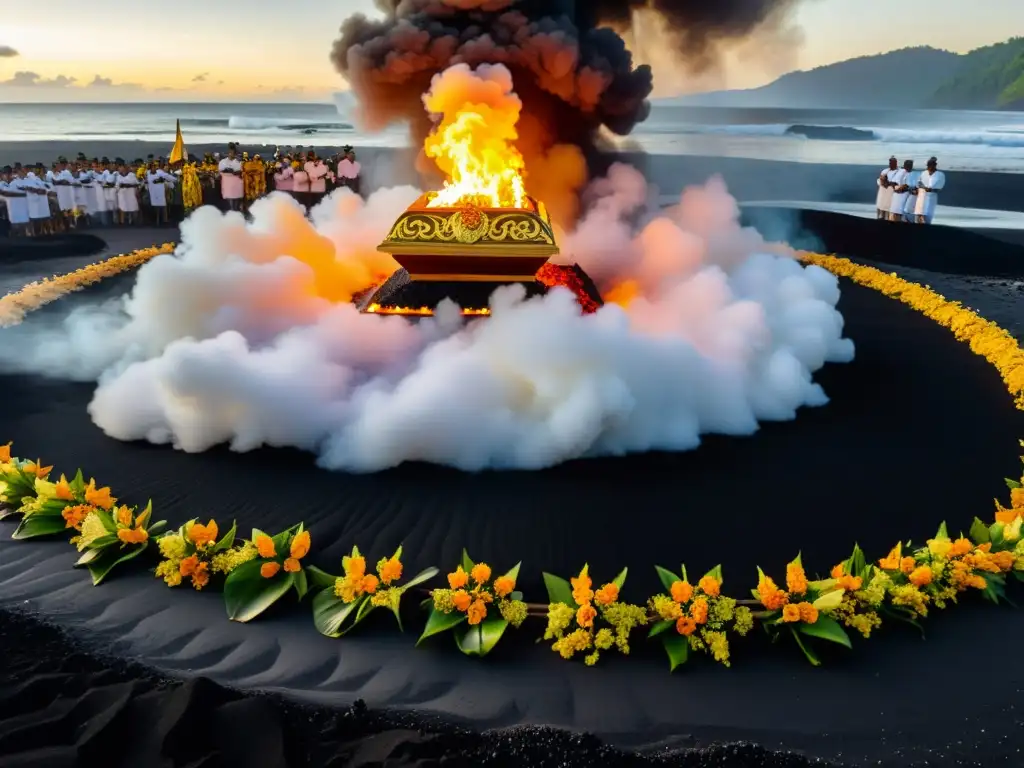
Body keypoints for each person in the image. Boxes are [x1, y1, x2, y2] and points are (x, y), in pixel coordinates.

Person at [0, 165, 32, 237]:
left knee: (22, 234)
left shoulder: (17, 183)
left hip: (18, 215)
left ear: (11, 174)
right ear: (2, 175)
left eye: (8, 173)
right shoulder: (1, 185)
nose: (7, 175)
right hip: (5, 216)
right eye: (5, 174)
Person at [914, 157, 946, 225]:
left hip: (931, 197)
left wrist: (931, 189)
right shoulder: (924, 173)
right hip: (921, 196)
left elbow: (940, 187)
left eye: (931, 165)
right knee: (919, 214)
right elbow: (919, 182)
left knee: (928, 215)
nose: (929, 167)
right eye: (928, 166)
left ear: (935, 165)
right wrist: (924, 187)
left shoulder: (940, 174)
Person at [146, 162, 176, 226]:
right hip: (152, 193)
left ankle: (165, 221)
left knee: (163, 206)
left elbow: (168, 179)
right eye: (152, 167)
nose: (153, 168)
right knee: (154, 207)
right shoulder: (148, 173)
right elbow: (148, 182)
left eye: (155, 166)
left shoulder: (160, 172)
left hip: (161, 194)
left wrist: (174, 179)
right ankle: (155, 221)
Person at [218, 143, 244, 212]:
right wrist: (226, 171)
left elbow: (241, 171)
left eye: (233, 153)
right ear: (228, 152)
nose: (232, 154)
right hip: (227, 184)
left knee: (236, 201)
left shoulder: (238, 162)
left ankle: (236, 213)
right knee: (230, 201)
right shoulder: (223, 162)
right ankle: (231, 214)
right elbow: (220, 171)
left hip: (237, 183)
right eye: (230, 152)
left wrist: (234, 172)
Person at [115, 160, 141, 225]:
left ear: (124, 167)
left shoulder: (131, 175)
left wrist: (129, 185)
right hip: (122, 195)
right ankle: (122, 222)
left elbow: (138, 184)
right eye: (118, 167)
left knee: (133, 208)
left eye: (120, 167)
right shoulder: (118, 176)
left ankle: (134, 222)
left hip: (131, 195)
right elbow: (117, 186)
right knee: (122, 208)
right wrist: (121, 186)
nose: (119, 169)